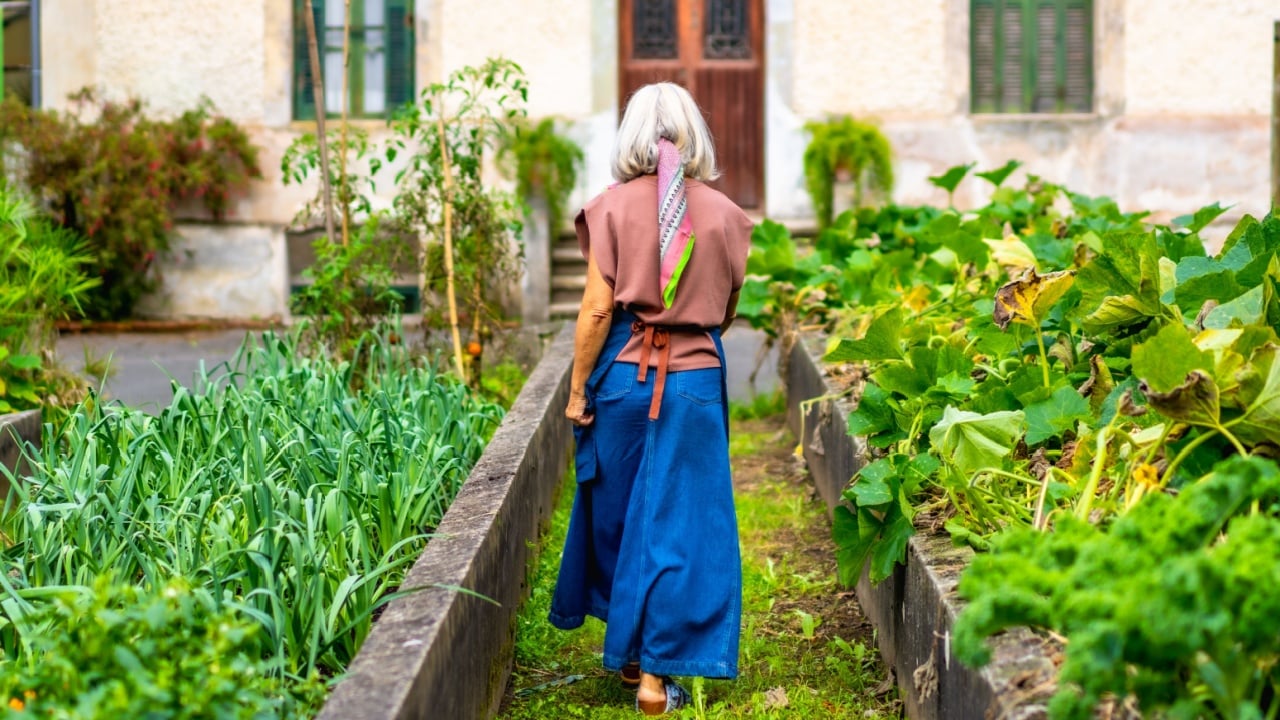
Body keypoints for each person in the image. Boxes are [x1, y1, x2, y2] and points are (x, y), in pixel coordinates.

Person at [548, 82, 754, 716]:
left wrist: (580, 389)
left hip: (622, 380)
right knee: (682, 526)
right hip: (692, 380)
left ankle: (634, 653)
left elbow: (594, 310)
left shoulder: (609, 208)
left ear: (630, 135)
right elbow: (725, 311)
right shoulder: (725, 215)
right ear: (695, 135)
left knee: (619, 518)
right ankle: (654, 676)